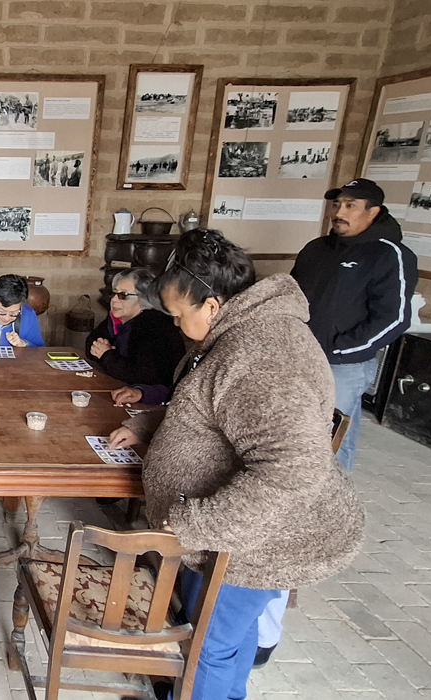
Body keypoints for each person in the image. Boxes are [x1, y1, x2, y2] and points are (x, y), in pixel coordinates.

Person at [108, 229, 364, 700]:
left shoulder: (263, 354)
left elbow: (292, 471)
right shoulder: (242, 331)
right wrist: (149, 426)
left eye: (179, 315)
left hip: (254, 539)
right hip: (240, 538)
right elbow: (212, 407)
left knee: (208, 645)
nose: (176, 326)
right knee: (228, 638)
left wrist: (192, 523)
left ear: (211, 306)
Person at [291, 178, 417, 471]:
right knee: (314, 434)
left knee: (328, 440)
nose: (339, 212)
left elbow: (394, 318)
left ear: (373, 212)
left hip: (344, 366)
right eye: (337, 205)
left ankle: (329, 507)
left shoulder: (389, 254)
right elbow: (291, 296)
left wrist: (341, 350)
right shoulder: (316, 249)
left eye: (350, 205)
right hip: (301, 355)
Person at [85, 268, 186, 387]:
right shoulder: (117, 318)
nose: (113, 300)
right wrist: (103, 353)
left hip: (152, 398)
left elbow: (141, 376)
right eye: (114, 293)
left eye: (123, 295)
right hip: (118, 386)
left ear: (143, 298)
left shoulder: (156, 326)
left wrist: (106, 355)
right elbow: (90, 345)